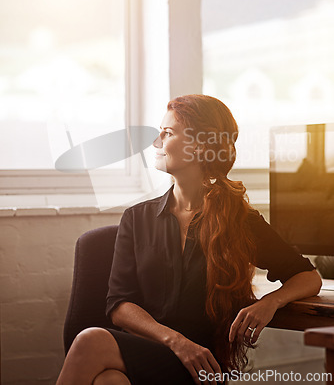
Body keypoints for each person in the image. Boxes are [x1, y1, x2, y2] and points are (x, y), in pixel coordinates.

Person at [56, 94, 321, 385]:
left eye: (167, 133)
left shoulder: (240, 220)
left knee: (92, 341)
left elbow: (308, 276)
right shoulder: (136, 218)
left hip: (202, 365)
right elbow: (119, 306)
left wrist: (270, 302)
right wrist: (176, 341)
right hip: (157, 348)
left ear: (200, 146)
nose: (156, 142)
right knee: (109, 381)